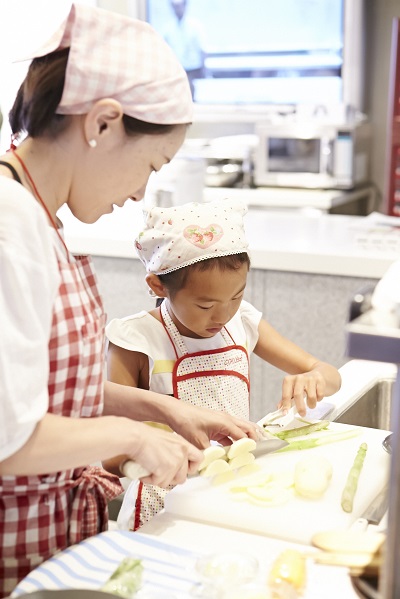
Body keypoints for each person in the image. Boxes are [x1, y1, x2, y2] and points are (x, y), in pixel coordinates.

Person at [0, 5, 260, 597]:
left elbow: (39, 386)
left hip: (49, 539)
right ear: (103, 124)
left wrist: (162, 410)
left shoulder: (33, 213)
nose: (142, 189)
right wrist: (134, 438)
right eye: (149, 164)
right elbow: (7, 438)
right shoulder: (8, 226)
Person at [105, 199, 342, 530]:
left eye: (236, 297)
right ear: (158, 286)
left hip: (228, 493)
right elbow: (110, 448)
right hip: (163, 504)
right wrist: (153, 458)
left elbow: (329, 375)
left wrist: (314, 377)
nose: (223, 315)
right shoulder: (138, 339)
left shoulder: (243, 322)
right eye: (205, 305)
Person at [163, 0, 206, 99]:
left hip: (193, 69)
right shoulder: (167, 28)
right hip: (175, 70)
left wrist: (203, 70)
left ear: (185, 6)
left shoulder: (195, 26)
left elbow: (202, 49)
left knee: (192, 97)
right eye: (174, 6)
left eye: (179, 6)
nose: (177, 9)